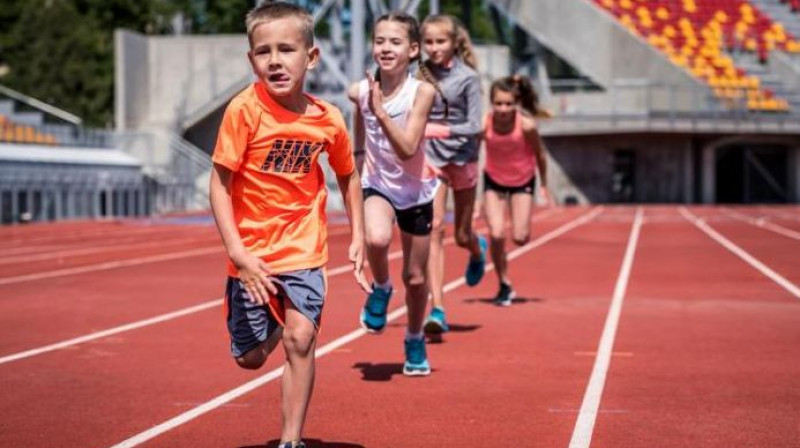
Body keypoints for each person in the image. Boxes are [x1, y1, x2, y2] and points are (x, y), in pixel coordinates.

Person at [208, 3, 369, 447]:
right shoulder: (243, 111)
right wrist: (239, 255)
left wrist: (357, 236)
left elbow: (348, 174)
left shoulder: (327, 119)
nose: (275, 60)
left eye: (286, 49)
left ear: (310, 57)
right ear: (251, 60)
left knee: (302, 339)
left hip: (303, 248)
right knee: (251, 357)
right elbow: (219, 186)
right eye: (264, 52)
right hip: (252, 253)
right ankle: (271, 322)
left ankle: (290, 441)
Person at [349, 12, 439, 376]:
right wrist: (358, 156)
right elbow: (357, 112)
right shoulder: (359, 90)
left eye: (395, 42)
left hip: (416, 192)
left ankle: (414, 338)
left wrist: (380, 112)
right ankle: (382, 288)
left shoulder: (423, 92)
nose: (386, 48)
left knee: (416, 279)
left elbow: (407, 148)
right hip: (378, 183)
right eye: (380, 41)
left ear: (413, 50)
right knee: (377, 236)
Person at [419, 14, 486, 336]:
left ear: (454, 42)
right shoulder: (417, 73)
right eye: (428, 42)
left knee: (461, 235)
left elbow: (475, 126)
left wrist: (437, 129)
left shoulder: (468, 78)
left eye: (440, 41)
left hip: (463, 157)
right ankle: (438, 309)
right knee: (434, 231)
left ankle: (476, 249)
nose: (434, 48)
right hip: (431, 160)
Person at [483, 75, 551, 306]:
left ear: (517, 103)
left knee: (520, 238)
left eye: (508, 104)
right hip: (493, 180)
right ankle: (503, 283)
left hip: (522, 180)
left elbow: (541, 155)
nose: (503, 109)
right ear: (492, 103)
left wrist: (543, 184)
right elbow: (471, 152)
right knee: (497, 233)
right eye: (498, 103)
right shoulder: (485, 123)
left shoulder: (527, 126)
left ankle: (500, 252)